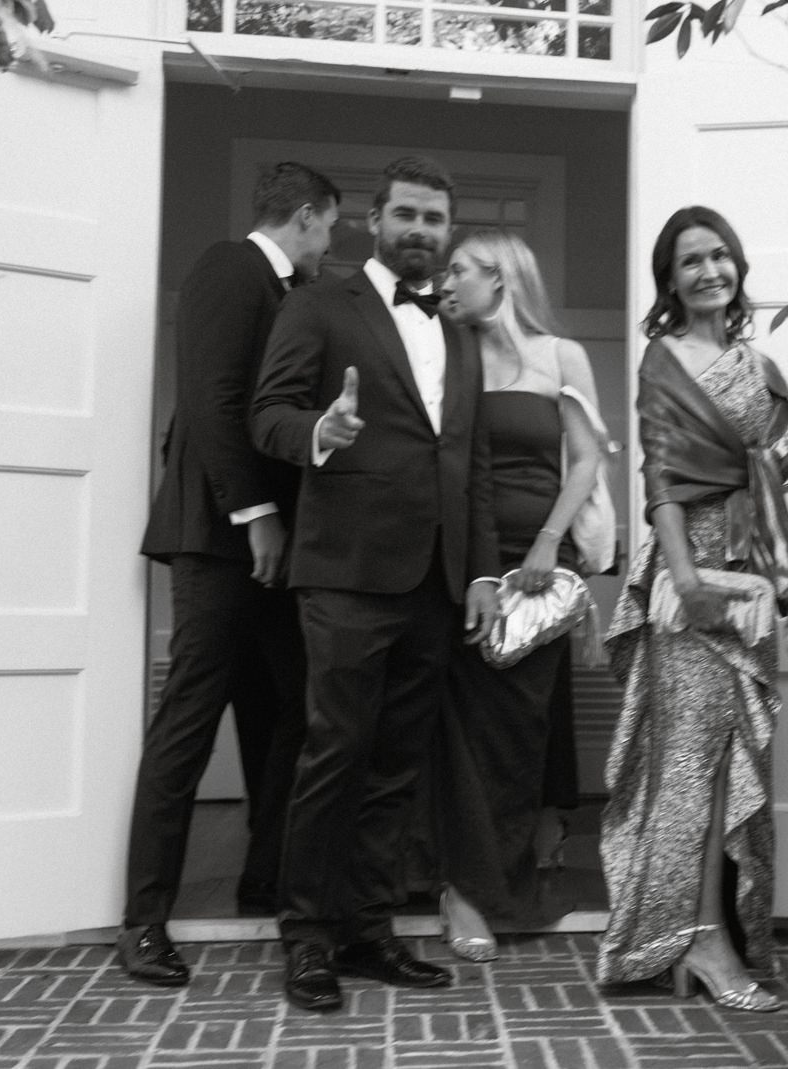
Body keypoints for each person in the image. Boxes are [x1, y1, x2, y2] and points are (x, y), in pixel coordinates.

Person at [250, 156, 501, 1013]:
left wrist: (482, 572)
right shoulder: (321, 303)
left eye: (435, 218)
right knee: (335, 754)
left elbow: (472, 461)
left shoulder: (461, 332)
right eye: (407, 214)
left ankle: (367, 929)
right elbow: (267, 413)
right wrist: (319, 431)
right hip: (348, 573)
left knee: (398, 765)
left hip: (436, 578)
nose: (421, 230)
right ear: (374, 219)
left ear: (448, 231)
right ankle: (307, 937)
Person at [596, 206, 788, 1013]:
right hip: (691, 578)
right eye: (690, 260)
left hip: (748, 577)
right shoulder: (664, 359)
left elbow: (740, 476)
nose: (708, 271)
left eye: (719, 255)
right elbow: (661, 479)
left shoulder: (758, 366)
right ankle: (695, 937)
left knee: (733, 759)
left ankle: (710, 931)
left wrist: (778, 463)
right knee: (690, 762)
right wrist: (688, 578)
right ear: (669, 279)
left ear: (738, 267)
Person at [121, 162, 341, 987]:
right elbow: (213, 401)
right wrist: (256, 514)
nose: (331, 244)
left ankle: (266, 876)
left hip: (274, 548)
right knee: (189, 718)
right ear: (307, 216)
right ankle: (144, 919)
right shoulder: (229, 266)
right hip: (221, 539)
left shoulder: (295, 292)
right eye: (331, 228)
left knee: (290, 709)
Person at [429, 229, 607, 961]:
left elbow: (586, 458)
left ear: (500, 278)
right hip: (461, 563)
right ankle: (463, 890)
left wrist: (545, 543)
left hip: (539, 567)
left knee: (520, 731)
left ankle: (504, 878)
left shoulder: (561, 356)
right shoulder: (451, 356)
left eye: (459, 270)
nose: (446, 282)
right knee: (462, 730)